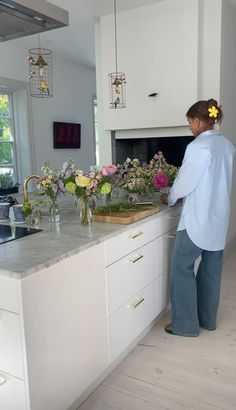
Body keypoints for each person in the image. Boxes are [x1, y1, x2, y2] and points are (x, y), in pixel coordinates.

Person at [160, 98, 235, 337]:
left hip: (196, 220)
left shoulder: (197, 148)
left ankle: (184, 325)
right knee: (211, 272)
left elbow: (184, 184)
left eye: (189, 123)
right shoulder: (227, 146)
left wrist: (170, 198)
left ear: (196, 120)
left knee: (181, 268)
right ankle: (207, 320)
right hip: (218, 219)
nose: (190, 128)